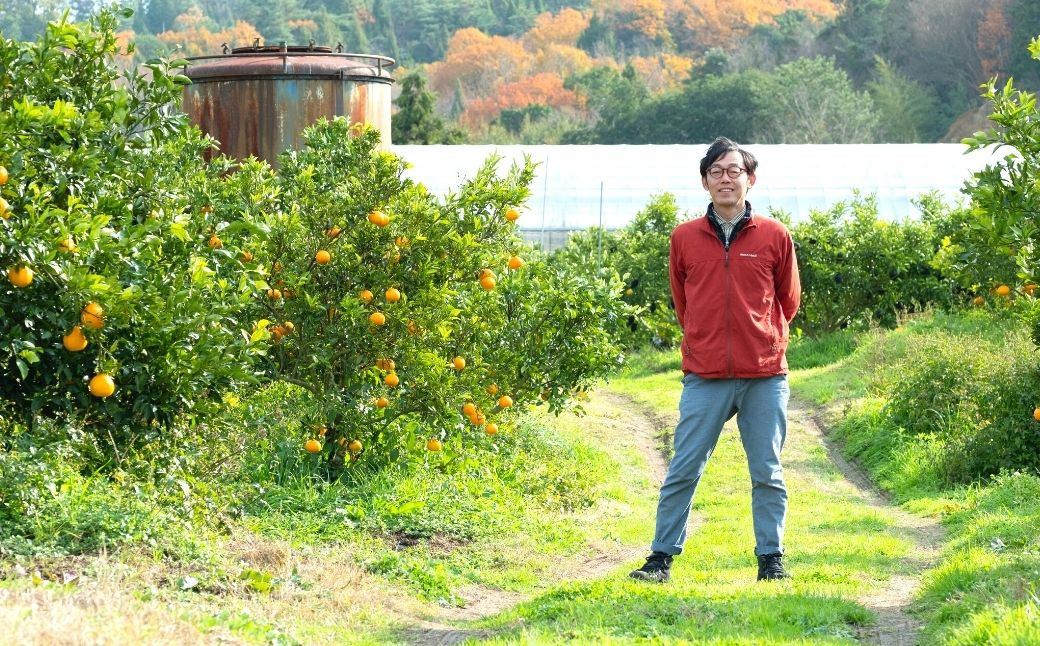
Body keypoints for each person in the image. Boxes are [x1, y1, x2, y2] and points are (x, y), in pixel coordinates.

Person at [630, 136, 801, 583]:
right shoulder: (684, 237)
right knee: (684, 467)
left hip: (764, 374)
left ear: (750, 179)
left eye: (734, 171)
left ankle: (771, 559)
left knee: (766, 470)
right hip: (705, 375)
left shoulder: (774, 235)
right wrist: (706, 340)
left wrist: (761, 339)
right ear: (705, 181)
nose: (726, 178)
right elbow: (682, 302)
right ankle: (660, 558)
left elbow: (789, 300)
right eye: (717, 171)